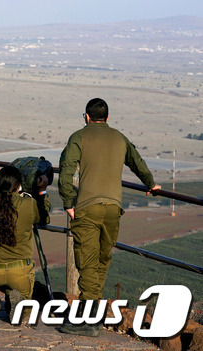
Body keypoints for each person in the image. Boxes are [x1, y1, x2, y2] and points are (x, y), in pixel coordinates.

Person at [58, 98, 161, 336]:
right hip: (114, 209)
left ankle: (88, 320)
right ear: (107, 117)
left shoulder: (78, 137)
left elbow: (65, 172)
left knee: (87, 263)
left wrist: (67, 202)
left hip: (87, 208)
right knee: (102, 260)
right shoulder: (119, 137)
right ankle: (94, 315)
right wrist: (151, 183)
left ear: (86, 116)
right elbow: (137, 162)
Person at [0, 165, 49, 323]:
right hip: (20, 272)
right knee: (25, 306)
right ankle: (18, 304)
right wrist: (42, 191)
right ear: (19, 185)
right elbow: (44, 217)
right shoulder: (28, 204)